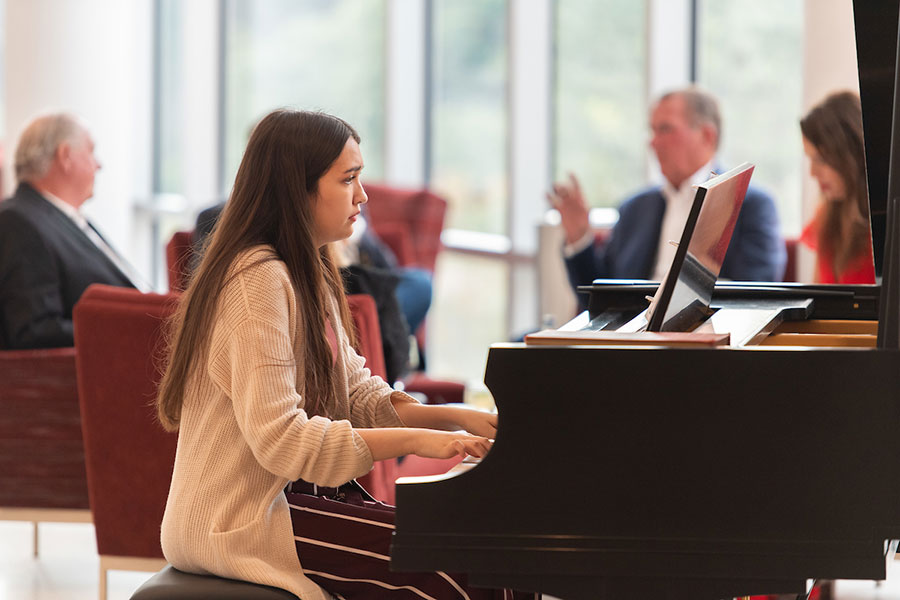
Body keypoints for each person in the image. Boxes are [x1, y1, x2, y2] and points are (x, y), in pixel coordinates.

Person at [156, 109, 531, 599]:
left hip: (293, 499)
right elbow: (282, 440)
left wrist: (455, 418)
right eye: (348, 179)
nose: (363, 195)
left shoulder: (309, 265)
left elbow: (355, 390)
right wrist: (415, 440)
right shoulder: (256, 281)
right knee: (460, 573)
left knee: (487, 554)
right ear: (299, 189)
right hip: (239, 519)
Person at [549, 86, 786, 310]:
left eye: (665, 129)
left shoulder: (748, 203)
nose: (652, 142)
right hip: (631, 337)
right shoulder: (635, 207)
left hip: (707, 337)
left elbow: (756, 293)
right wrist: (579, 237)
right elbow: (600, 299)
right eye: (652, 131)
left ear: (707, 135)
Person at [0, 112, 144, 349]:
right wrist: (130, 332)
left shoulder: (63, 218)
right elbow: (35, 330)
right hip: (99, 375)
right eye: (91, 151)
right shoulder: (19, 222)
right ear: (65, 156)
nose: (99, 164)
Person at [799, 90, 874, 284]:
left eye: (821, 160)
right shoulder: (825, 216)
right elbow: (819, 297)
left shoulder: (884, 226)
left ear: (852, 156)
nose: (813, 173)